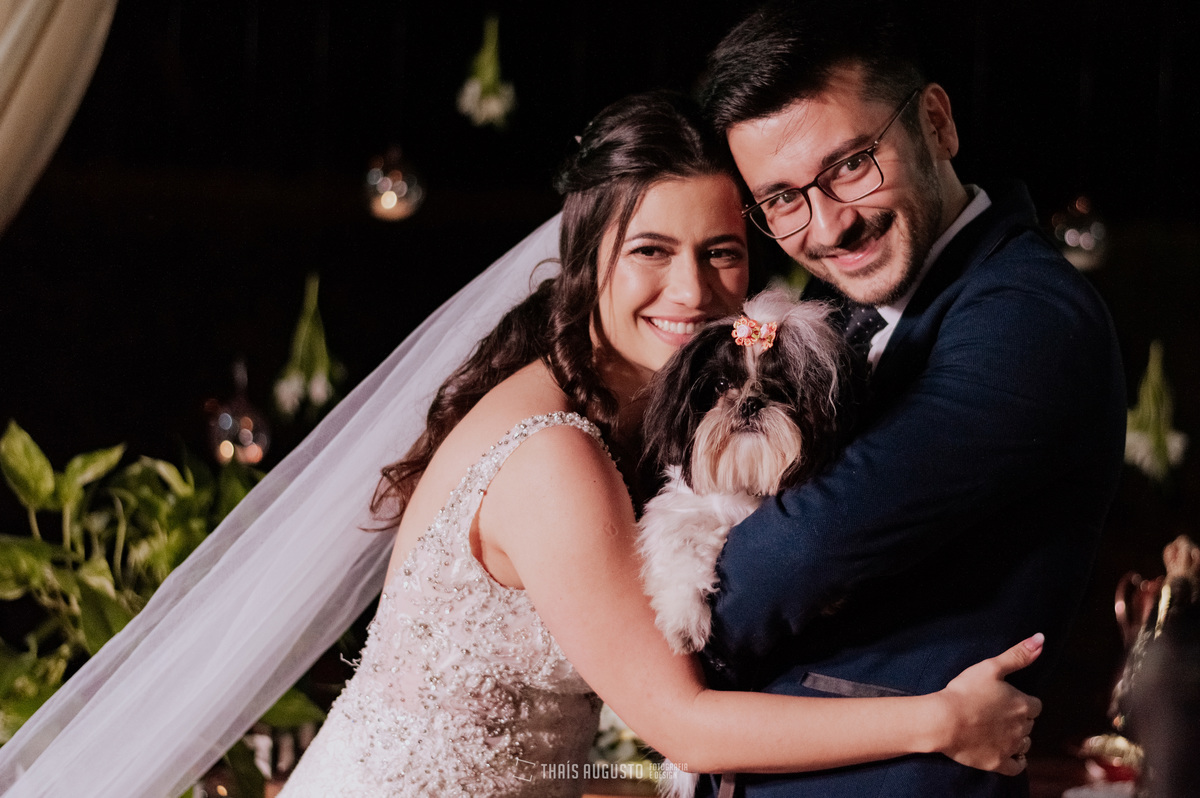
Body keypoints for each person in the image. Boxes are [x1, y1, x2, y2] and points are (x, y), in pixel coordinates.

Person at [0, 92, 1040, 798]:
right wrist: (938, 723)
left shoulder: (625, 414)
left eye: (722, 253)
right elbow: (682, 723)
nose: (692, 291)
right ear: (587, 261)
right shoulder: (555, 456)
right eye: (651, 251)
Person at [695, 2, 1127, 796]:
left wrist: (643, 634)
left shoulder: (1029, 314)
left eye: (851, 164)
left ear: (936, 123)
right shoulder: (843, 312)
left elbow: (810, 545)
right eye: (783, 199)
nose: (829, 226)